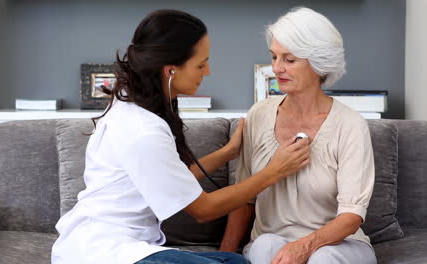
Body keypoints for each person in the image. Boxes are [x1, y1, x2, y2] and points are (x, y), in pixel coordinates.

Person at [51, 9, 311, 264]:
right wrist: (275, 170)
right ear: (170, 70)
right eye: (201, 63)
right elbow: (203, 209)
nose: (207, 71)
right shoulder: (142, 130)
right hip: (103, 252)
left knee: (234, 261)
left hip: (121, 246)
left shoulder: (135, 107)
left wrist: (228, 152)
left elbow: (172, 178)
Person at [219, 7, 377, 264]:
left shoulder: (350, 125)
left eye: (289, 60)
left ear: (318, 63)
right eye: (274, 57)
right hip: (272, 242)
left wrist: (304, 247)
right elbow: (244, 198)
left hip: (340, 245)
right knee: (264, 245)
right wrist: (223, 257)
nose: (277, 68)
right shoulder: (259, 115)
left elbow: (352, 216)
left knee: (322, 258)